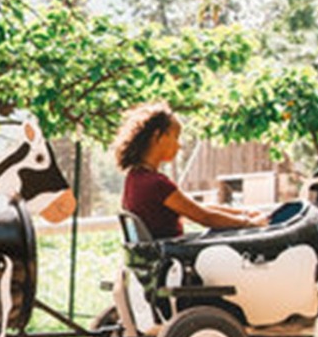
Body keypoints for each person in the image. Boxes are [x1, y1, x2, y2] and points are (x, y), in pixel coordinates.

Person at [113, 102, 266, 239]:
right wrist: (250, 224)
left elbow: (194, 207)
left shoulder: (135, 178)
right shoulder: (156, 184)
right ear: (157, 136)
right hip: (173, 259)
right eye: (175, 137)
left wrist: (243, 213)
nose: (179, 146)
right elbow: (204, 217)